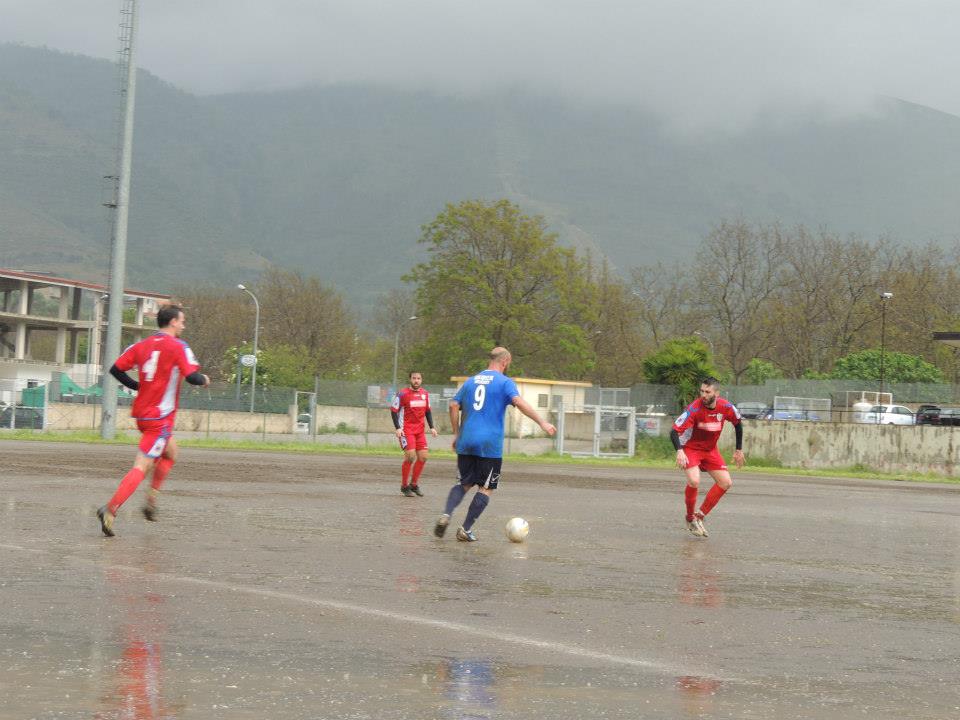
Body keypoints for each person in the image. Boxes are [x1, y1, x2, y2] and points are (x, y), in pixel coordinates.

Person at [97, 304, 209, 537]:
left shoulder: (141, 345)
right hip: (159, 418)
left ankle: (150, 502)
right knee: (142, 465)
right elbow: (192, 377)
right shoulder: (179, 346)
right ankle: (111, 509)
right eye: (182, 321)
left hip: (143, 415)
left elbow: (116, 370)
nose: (184, 325)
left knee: (171, 453)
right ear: (173, 322)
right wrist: (205, 379)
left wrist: (138, 386)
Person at [434, 347, 556, 542]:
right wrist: (542, 422)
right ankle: (465, 529)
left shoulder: (470, 381)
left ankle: (446, 514)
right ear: (505, 361)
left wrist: (457, 433)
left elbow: (453, 405)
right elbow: (518, 401)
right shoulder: (505, 382)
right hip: (489, 444)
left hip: (466, 440)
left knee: (463, 483)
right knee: (486, 487)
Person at [670, 377, 744, 538]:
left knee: (726, 483)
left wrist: (738, 450)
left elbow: (738, 423)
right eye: (702, 391)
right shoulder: (694, 409)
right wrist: (679, 451)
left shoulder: (726, 407)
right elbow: (673, 431)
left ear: (716, 394)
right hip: (691, 448)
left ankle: (699, 516)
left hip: (710, 450)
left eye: (707, 392)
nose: (703, 395)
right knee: (694, 481)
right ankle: (689, 518)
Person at [390, 370, 438, 496]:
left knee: (423, 457)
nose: (416, 380)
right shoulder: (402, 394)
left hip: (420, 431)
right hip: (406, 430)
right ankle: (404, 486)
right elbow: (394, 410)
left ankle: (414, 485)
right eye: (414, 378)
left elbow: (427, 411)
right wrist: (398, 428)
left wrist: (432, 427)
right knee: (410, 457)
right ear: (410, 379)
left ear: (421, 380)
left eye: (418, 378)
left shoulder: (425, 394)